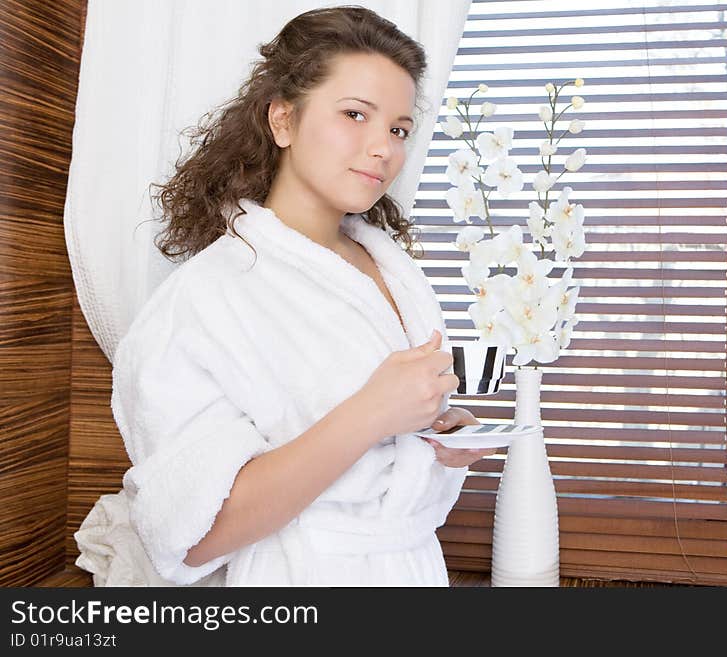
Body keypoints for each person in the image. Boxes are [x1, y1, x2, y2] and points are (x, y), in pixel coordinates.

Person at [81, 6, 496, 587]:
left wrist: (433, 430)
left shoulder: (392, 271)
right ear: (282, 121)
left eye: (399, 129)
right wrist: (373, 412)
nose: (384, 148)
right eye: (355, 114)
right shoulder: (207, 296)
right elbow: (194, 536)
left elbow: (382, 440)